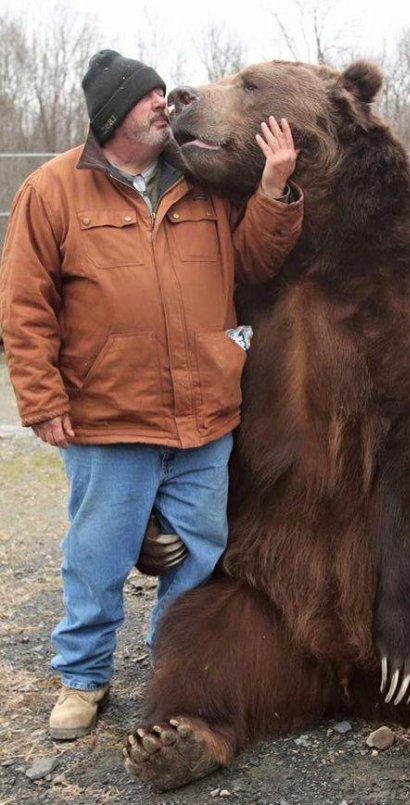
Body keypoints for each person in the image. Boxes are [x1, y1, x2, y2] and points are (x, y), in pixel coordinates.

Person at [0, 50, 303, 740]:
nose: (165, 105)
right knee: (99, 554)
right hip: (111, 419)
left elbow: (253, 260)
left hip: (205, 417)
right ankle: (83, 677)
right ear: (112, 116)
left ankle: (179, 671)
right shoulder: (52, 192)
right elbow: (23, 304)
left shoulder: (200, 185)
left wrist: (276, 190)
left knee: (198, 554)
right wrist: (42, 397)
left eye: (165, 94)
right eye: (149, 98)